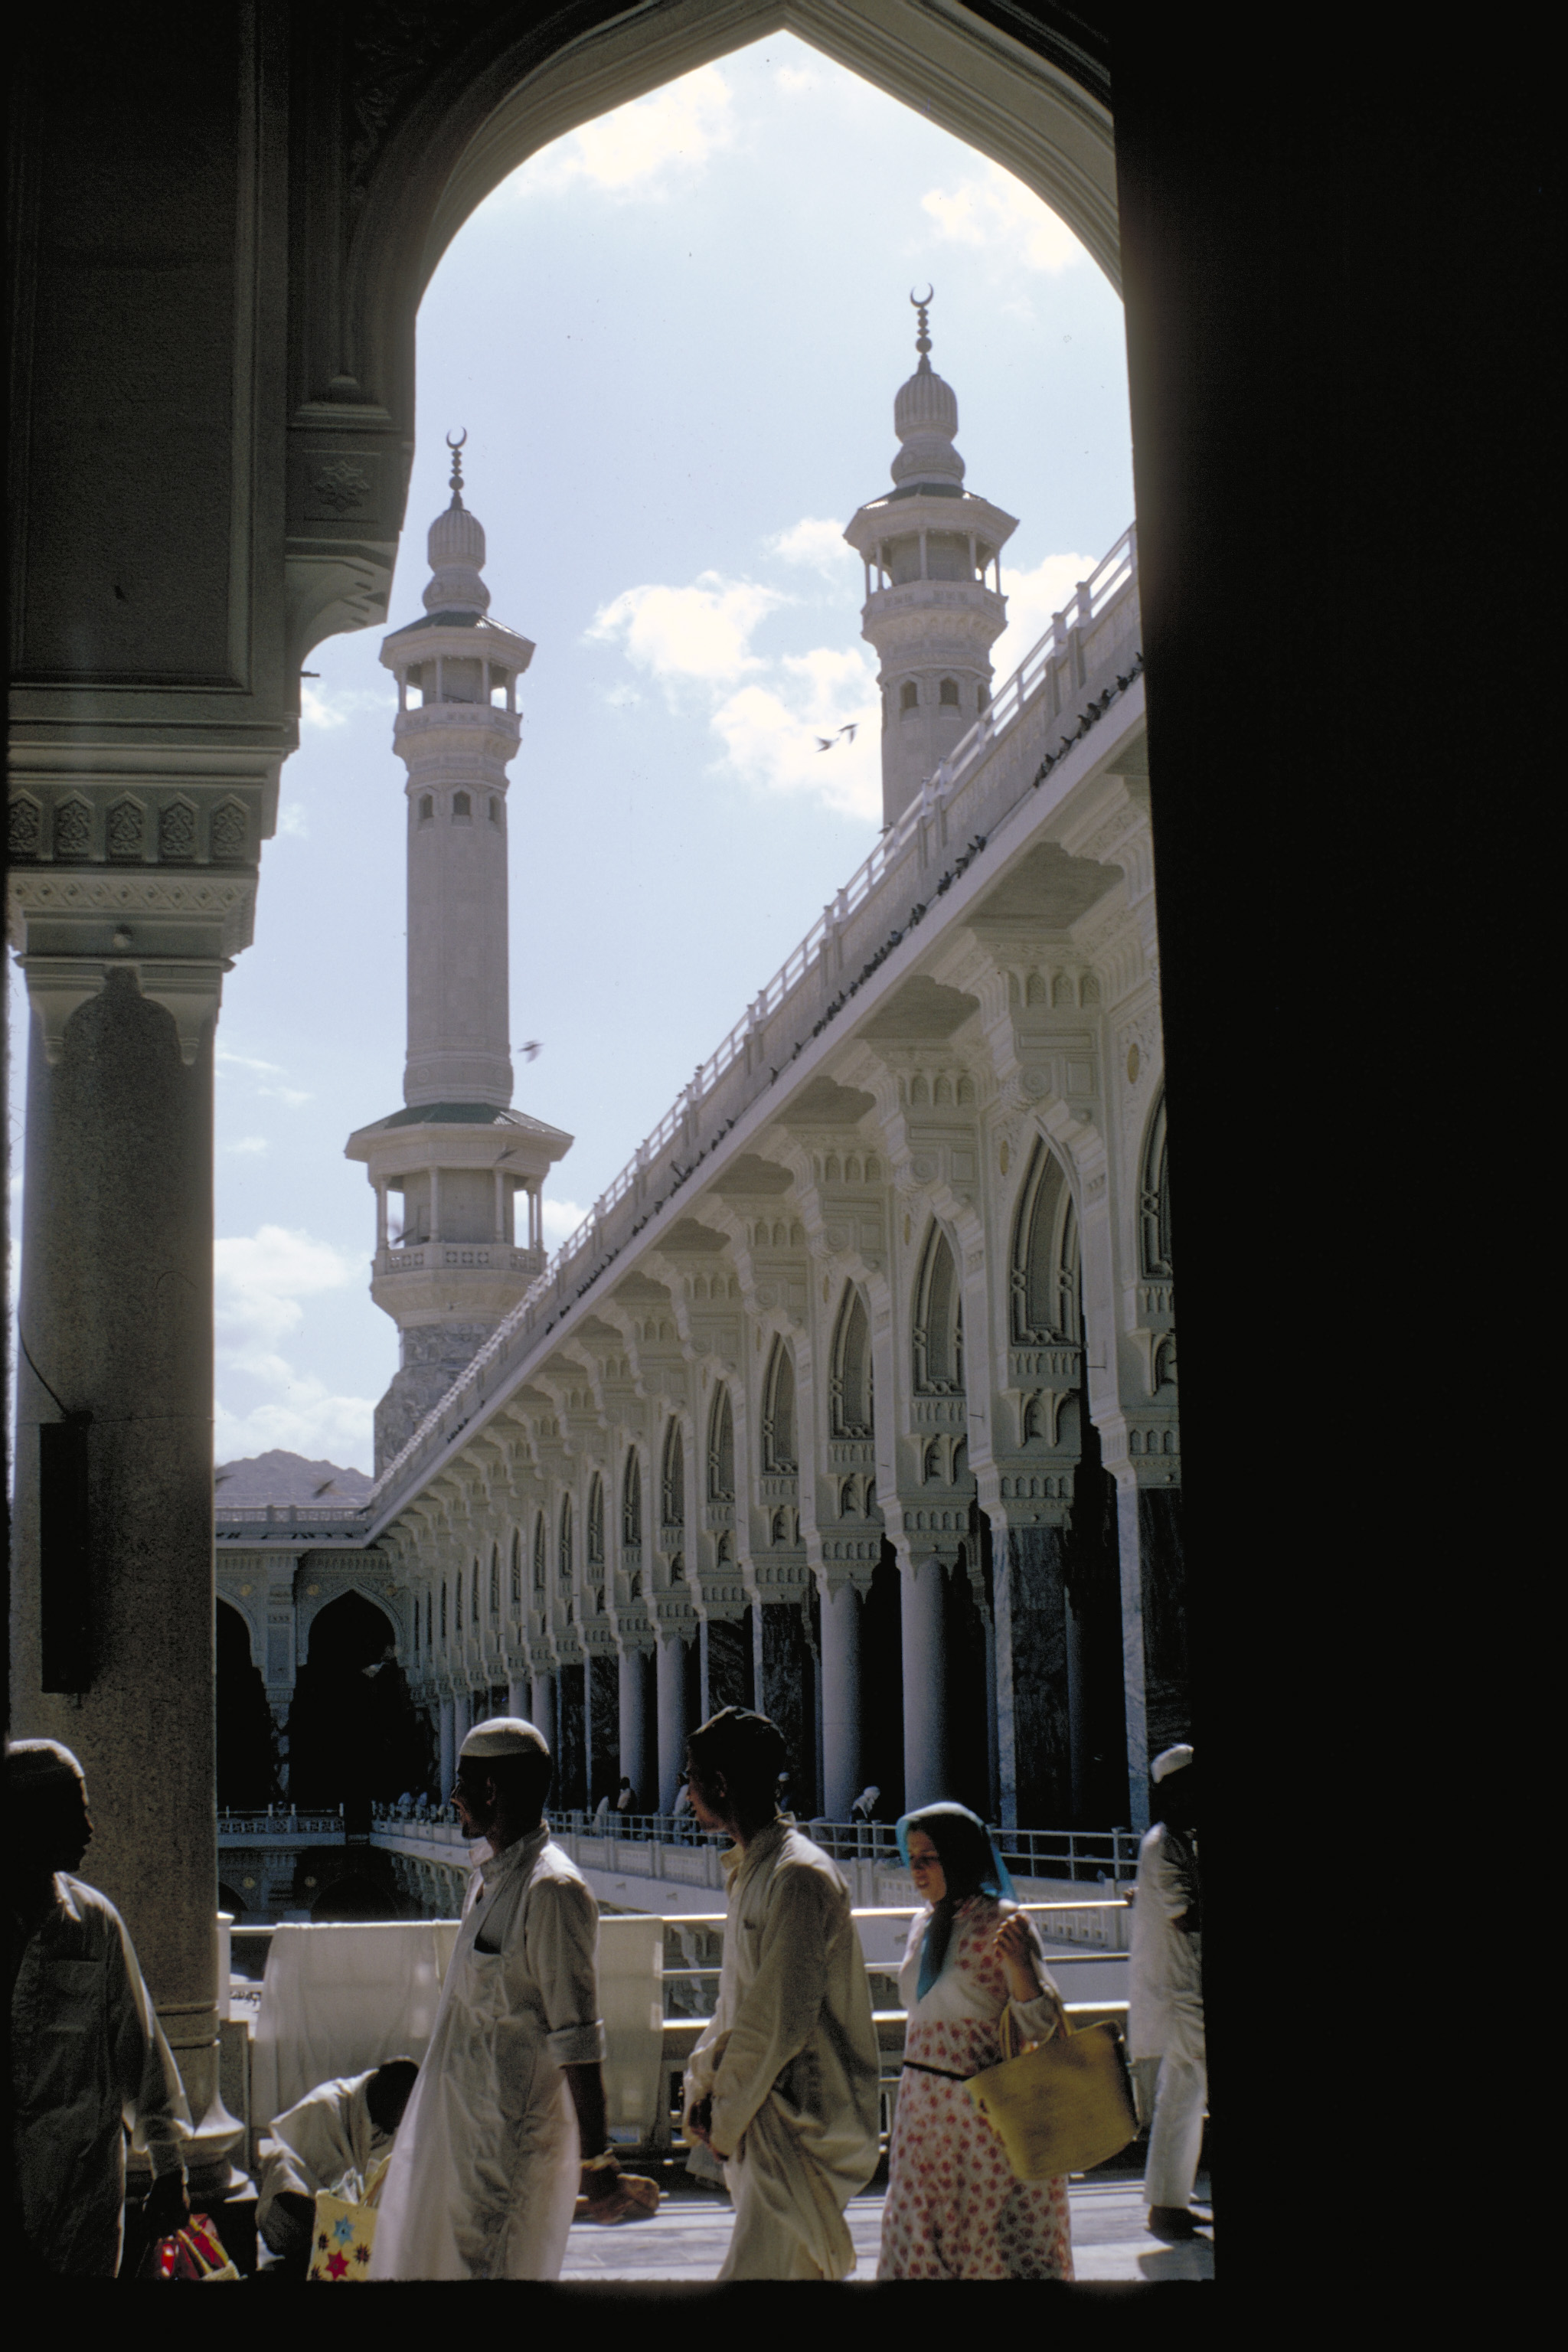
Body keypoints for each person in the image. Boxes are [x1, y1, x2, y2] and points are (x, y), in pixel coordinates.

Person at [368, 1717, 626, 2278]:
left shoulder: (551, 1891)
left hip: (506, 2159)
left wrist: (597, 2159)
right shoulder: (488, 1881)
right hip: (461, 2146)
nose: (454, 1798)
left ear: (490, 1790)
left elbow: (577, 2038)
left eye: (463, 1784)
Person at [681, 1707, 881, 2280]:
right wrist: (704, 2086)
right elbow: (736, 2005)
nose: (686, 1792)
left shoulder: (798, 1877)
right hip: (764, 2121)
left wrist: (722, 2119)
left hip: (797, 2124)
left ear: (720, 1784)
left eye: (691, 1777)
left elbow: (778, 2021)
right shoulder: (754, 1871)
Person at [8, 1737, 191, 2275]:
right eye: (75, 1812)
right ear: (25, 1821)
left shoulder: (97, 1926)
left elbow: (141, 2053)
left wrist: (169, 2168)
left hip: (81, 2208)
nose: (89, 1828)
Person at [877, 1803, 1074, 2280]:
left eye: (930, 1857)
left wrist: (1020, 1970)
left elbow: (1042, 2027)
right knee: (919, 2236)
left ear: (960, 1855)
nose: (917, 1870)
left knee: (984, 2241)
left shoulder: (1005, 1921)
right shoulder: (925, 1924)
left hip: (981, 2117)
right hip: (922, 2113)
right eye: (912, 1858)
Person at [1129, 1743, 1207, 2242]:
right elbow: (1187, 1917)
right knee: (1185, 2091)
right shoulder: (1166, 1845)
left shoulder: (1173, 1841)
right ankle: (1166, 2202)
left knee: (1181, 2095)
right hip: (1183, 1992)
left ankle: (1167, 2202)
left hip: (1184, 1989)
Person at [256, 2058, 419, 2274]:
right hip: (307, 2215)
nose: (402, 2120)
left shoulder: (396, 2121)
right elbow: (310, 2176)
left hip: (356, 2236)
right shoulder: (327, 2106)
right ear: (383, 2093)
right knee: (282, 2162)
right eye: (400, 2109)